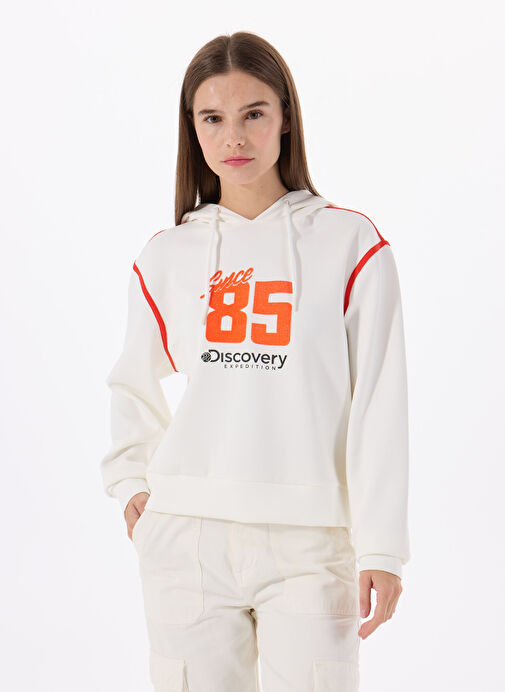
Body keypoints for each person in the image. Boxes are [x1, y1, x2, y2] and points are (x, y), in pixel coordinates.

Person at [100, 30, 410, 692]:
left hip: (311, 541)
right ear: (191, 128)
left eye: (253, 114)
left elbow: (379, 400)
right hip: (187, 541)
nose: (233, 137)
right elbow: (131, 382)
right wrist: (131, 484)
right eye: (212, 118)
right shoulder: (168, 256)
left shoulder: (348, 244)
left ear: (285, 118)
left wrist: (382, 545)